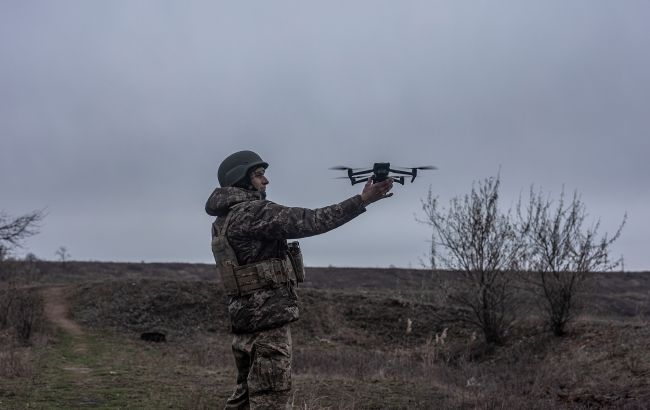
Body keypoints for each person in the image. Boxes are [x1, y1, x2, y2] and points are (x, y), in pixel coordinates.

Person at [205, 150, 393, 409]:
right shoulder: (254, 213)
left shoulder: (222, 220)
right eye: (259, 176)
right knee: (272, 400)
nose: (266, 181)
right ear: (242, 180)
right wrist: (362, 200)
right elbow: (312, 221)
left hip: (244, 323)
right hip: (267, 325)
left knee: (244, 400)